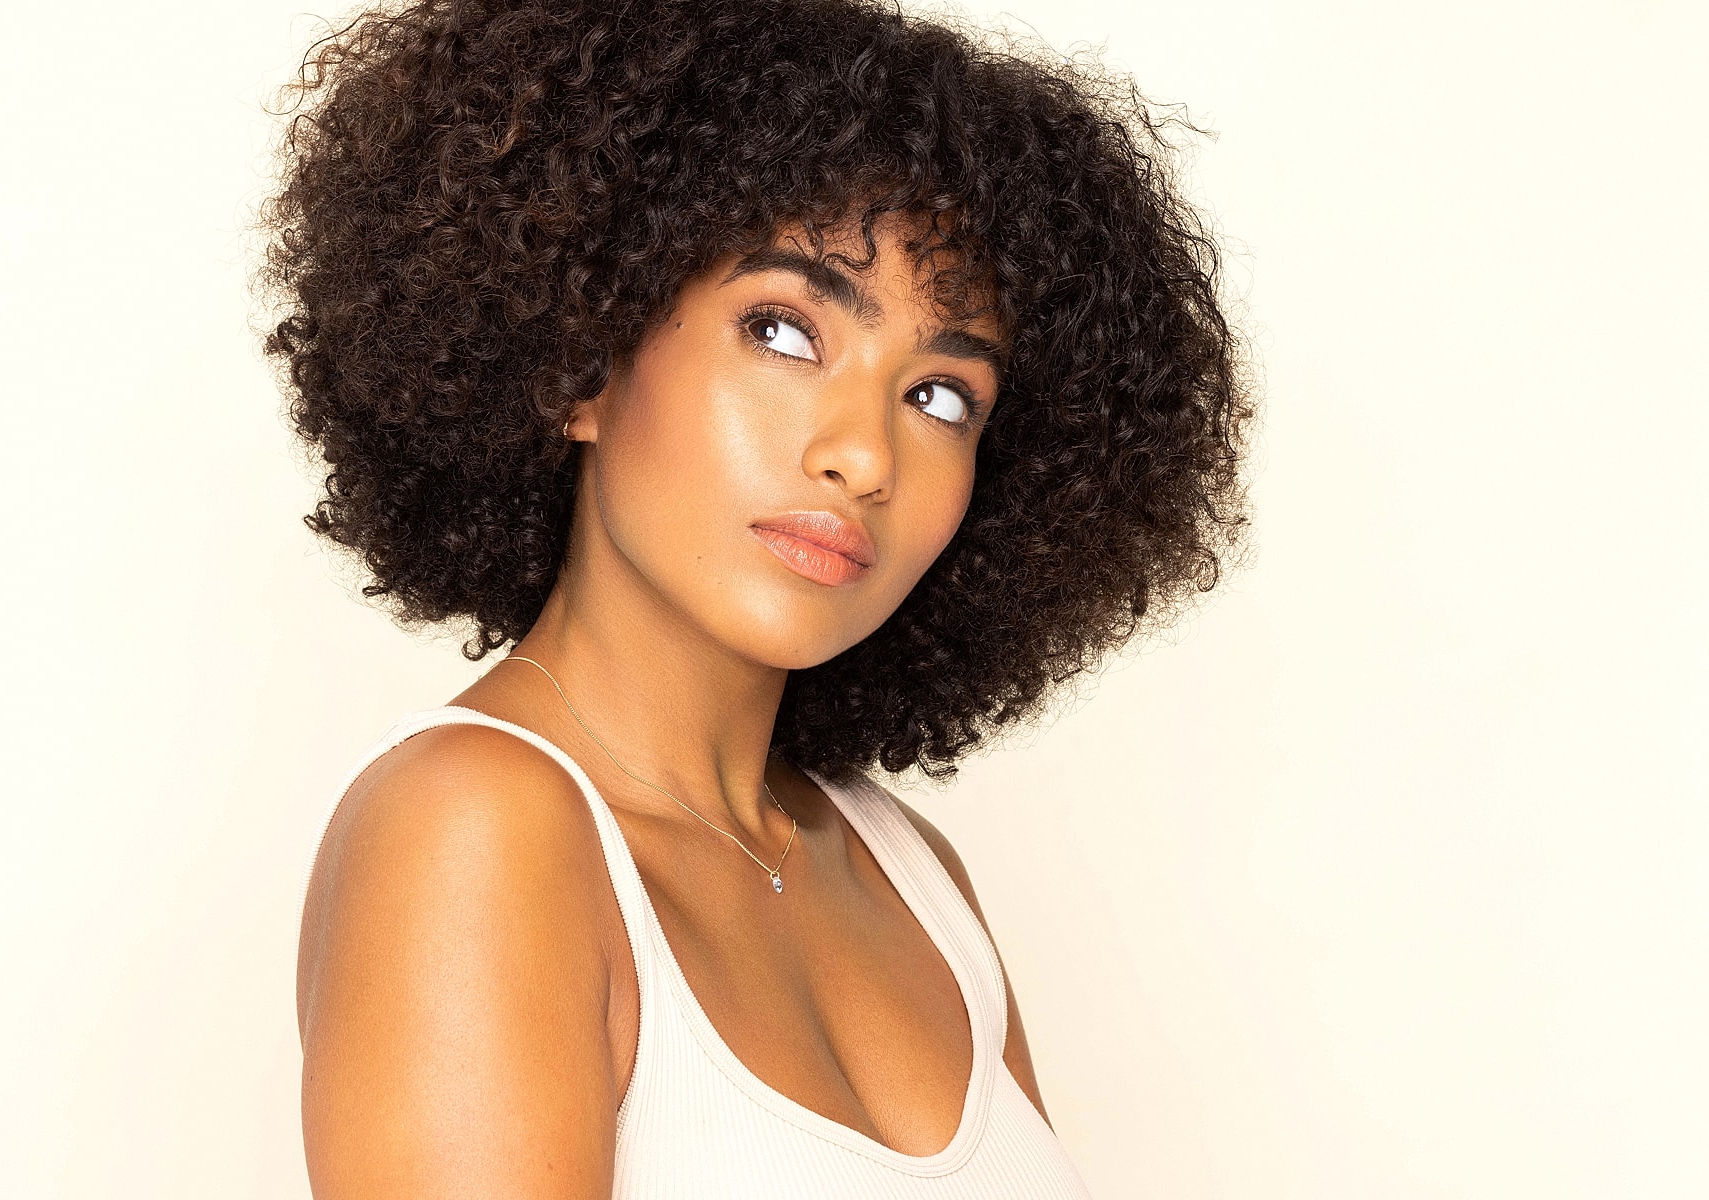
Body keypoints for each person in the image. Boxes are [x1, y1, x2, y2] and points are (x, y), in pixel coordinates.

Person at [265, 0, 1248, 1193]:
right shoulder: (476, 826)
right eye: (783, 330)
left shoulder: (911, 872)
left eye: (942, 397)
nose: (865, 455)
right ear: (580, 360)